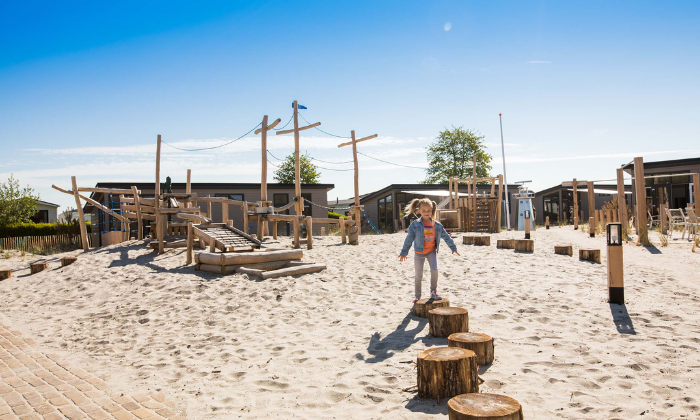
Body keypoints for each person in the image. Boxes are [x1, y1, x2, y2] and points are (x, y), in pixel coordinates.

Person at [399, 198, 460, 303]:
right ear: (419, 211)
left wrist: (453, 248)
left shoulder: (437, 225)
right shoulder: (415, 225)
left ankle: (433, 292)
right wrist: (404, 252)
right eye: (424, 211)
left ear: (432, 210)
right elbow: (408, 239)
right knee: (418, 275)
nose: (426, 213)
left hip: (431, 252)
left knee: (434, 270)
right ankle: (417, 296)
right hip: (419, 253)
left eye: (429, 210)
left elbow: (446, 236)